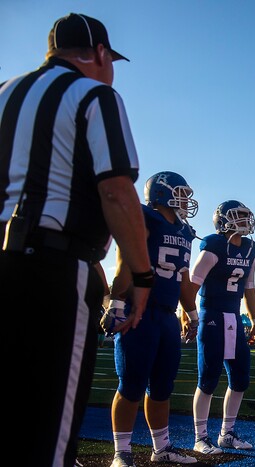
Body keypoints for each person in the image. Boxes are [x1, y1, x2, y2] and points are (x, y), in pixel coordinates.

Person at [0, 12, 152, 467]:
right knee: (50, 432)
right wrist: (137, 271)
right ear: (100, 54)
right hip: (52, 270)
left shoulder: (5, 93)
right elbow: (116, 191)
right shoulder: (95, 94)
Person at [105, 171, 199, 467]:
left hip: (167, 316)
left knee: (162, 385)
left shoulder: (185, 233)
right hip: (139, 312)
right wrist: (117, 301)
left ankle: (161, 448)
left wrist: (192, 313)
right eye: (180, 193)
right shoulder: (145, 217)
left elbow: (183, 277)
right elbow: (125, 260)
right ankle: (122, 452)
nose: (185, 200)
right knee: (131, 384)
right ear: (162, 193)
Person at [190, 200, 255, 455]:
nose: (244, 220)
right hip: (211, 315)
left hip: (234, 317)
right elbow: (192, 284)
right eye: (239, 216)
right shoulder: (213, 245)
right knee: (208, 379)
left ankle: (227, 434)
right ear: (224, 220)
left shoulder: (252, 249)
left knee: (240, 377)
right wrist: (188, 315)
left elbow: (250, 288)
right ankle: (200, 437)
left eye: (245, 216)